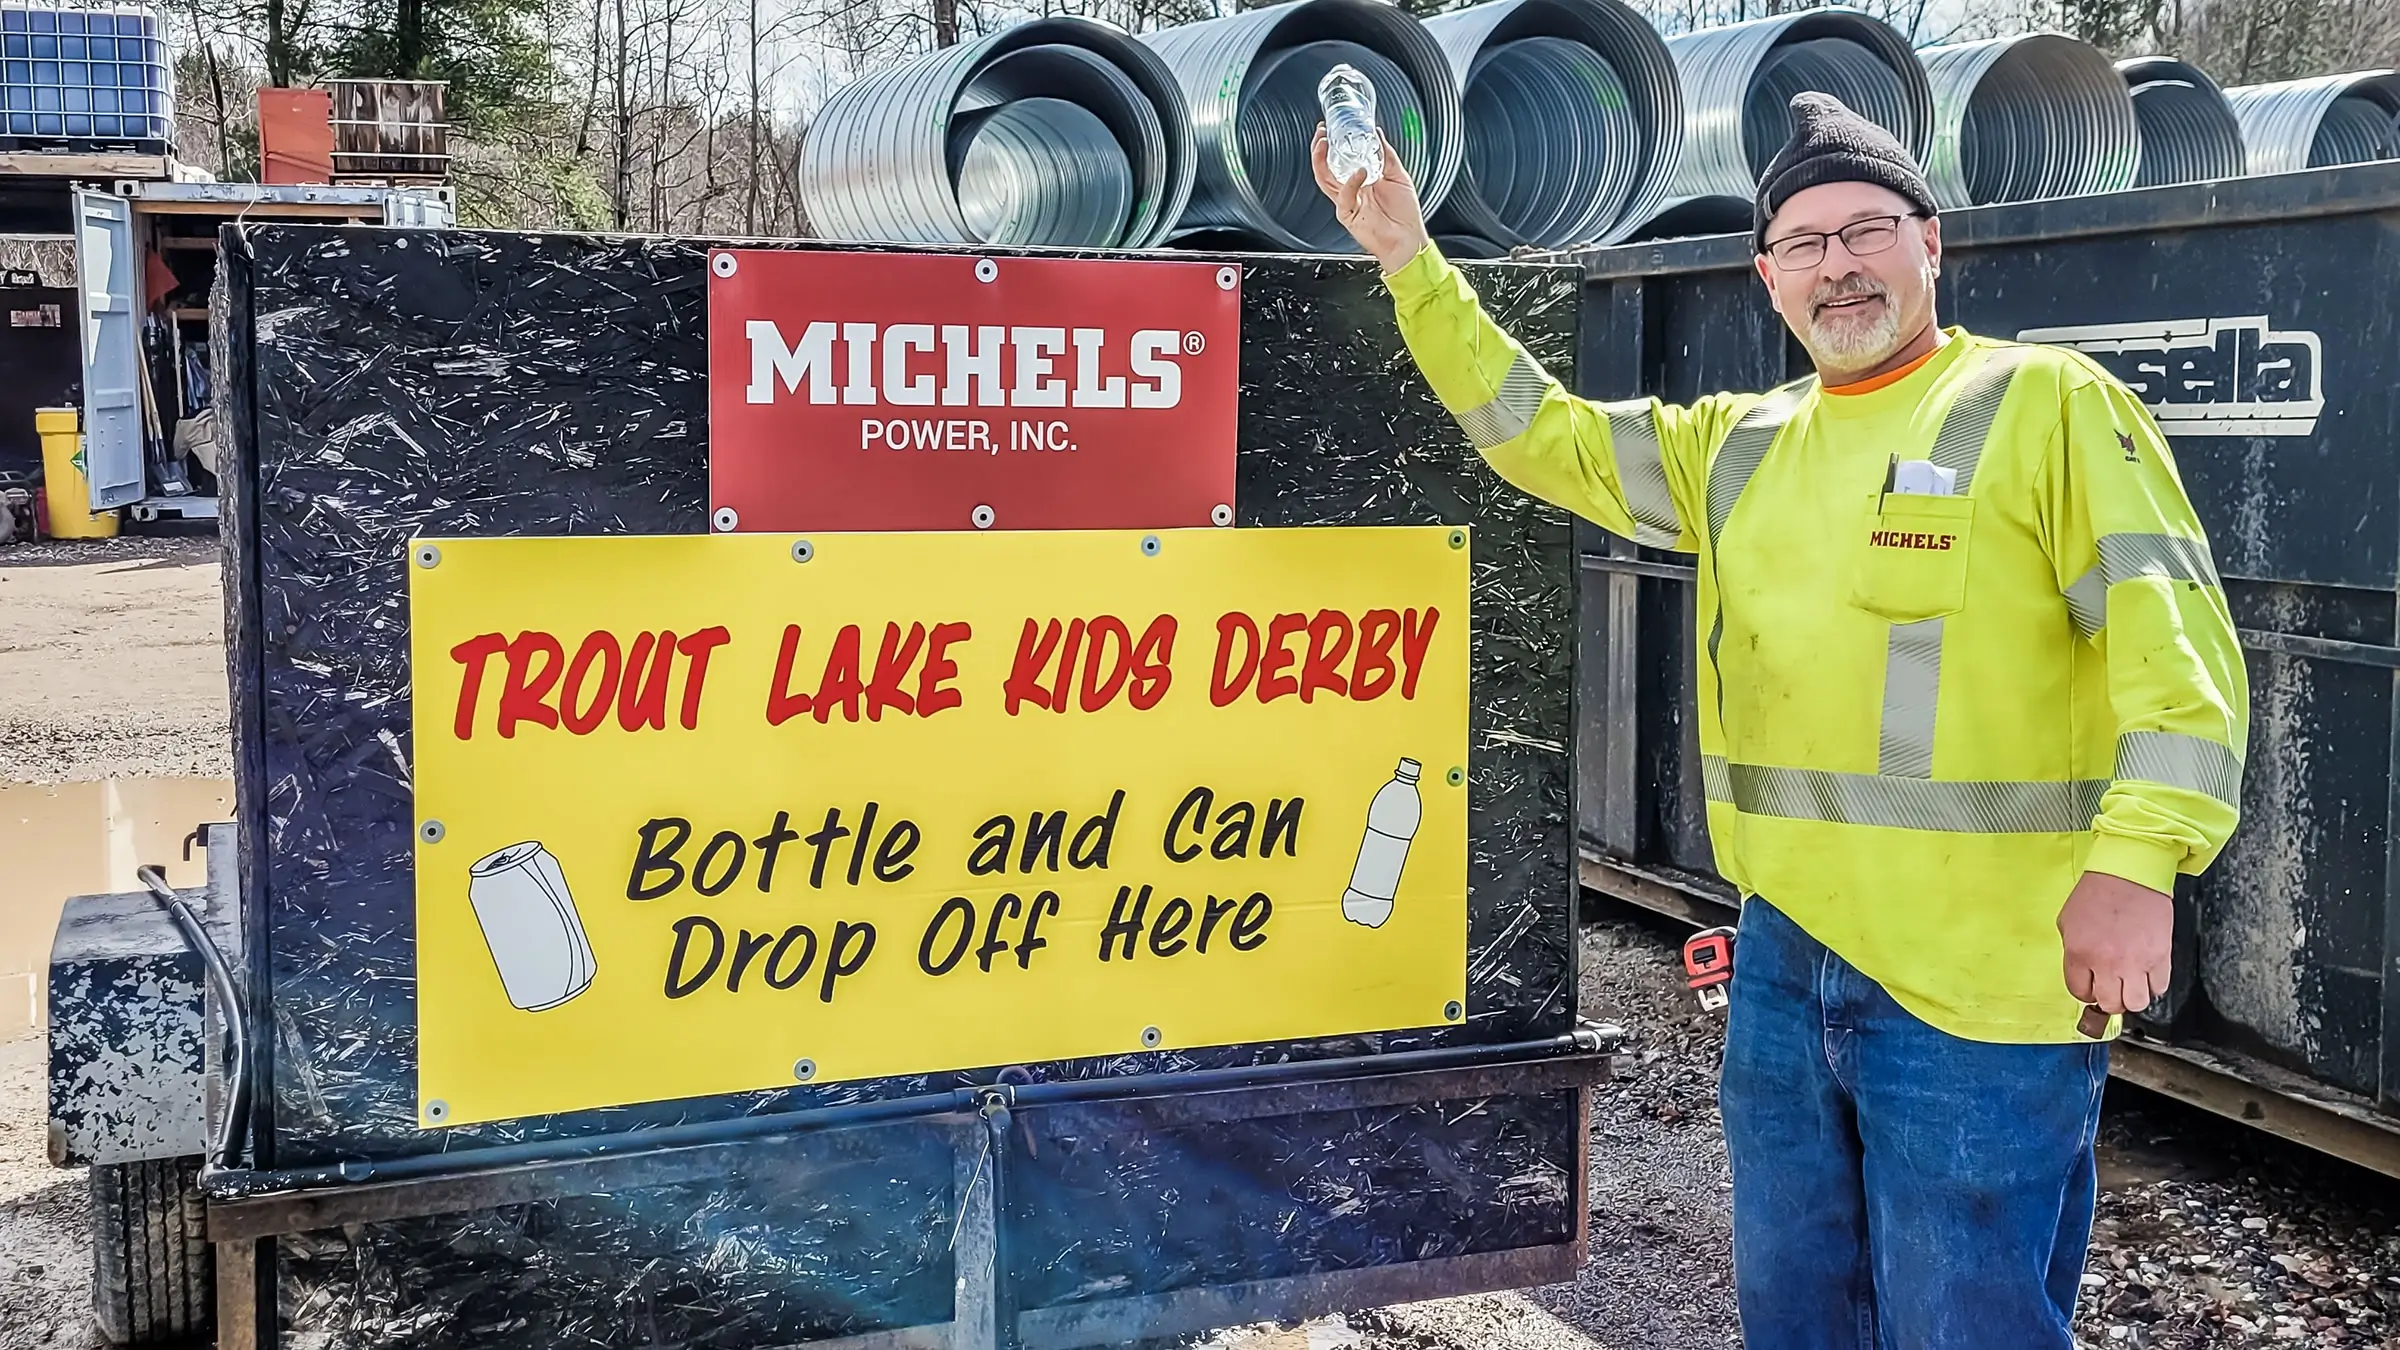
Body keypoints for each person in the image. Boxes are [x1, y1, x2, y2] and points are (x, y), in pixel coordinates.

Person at [1314, 94, 2249, 1348]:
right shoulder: (1740, 447)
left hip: (1978, 992)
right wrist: (1406, 260)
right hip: (1783, 963)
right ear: (1767, 277)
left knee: (1966, 1320)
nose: (1838, 266)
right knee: (1797, 1312)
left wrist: (2142, 863)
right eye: (1803, 244)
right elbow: (1543, 436)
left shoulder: (2044, 405)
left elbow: (2175, 652)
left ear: (1932, 244)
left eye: (1866, 230)